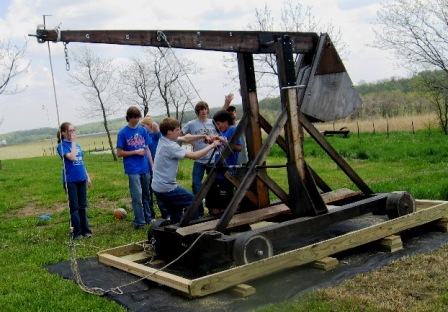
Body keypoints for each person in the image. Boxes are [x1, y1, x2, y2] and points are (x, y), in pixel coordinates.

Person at [152, 117, 221, 222]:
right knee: (194, 202)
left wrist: (203, 135)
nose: (180, 132)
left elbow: (185, 139)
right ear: (169, 132)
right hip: (167, 188)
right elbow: (194, 156)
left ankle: (175, 226)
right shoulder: (170, 146)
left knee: (176, 208)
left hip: (158, 187)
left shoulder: (164, 138)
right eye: (177, 130)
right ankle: (191, 228)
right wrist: (212, 145)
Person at [116, 106, 154, 229]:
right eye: (133, 117)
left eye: (137, 117)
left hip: (145, 168)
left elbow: (147, 148)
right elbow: (120, 153)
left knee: (146, 194)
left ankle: (148, 218)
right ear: (129, 118)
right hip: (133, 169)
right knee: (137, 195)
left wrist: (151, 165)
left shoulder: (142, 130)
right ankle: (139, 221)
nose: (136, 120)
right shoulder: (122, 133)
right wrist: (135, 152)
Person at [181, 101, 219, 216]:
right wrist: (192, 141)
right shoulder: (192, 124)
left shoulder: (213, 123)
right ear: (197, 112)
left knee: (213, 184)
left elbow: (221, 134)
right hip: (199, 160)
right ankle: (199, 210)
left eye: (205, 109)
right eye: (200, 109)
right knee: (196, 184)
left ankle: (213, 208)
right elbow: (181, 135)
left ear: (207, 110)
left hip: (212, 159)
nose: (203, 111)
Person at [56, 122, 92, 240]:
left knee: (82, 206)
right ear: (63, 133)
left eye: (73, 130)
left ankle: (86, 230)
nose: (73, 133)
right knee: (74, 207)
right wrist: (73, 142)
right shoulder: (62, 146)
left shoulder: (77, 145)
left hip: (81, 177)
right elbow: (71, 157)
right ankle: (77, 232)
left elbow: (81, 161)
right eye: (70, 131)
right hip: (70, 180)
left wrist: (87, 176)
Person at [206, 111, 242, 216]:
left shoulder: (232, 130)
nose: (217, 126)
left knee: (225, 196)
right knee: (215, 196)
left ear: (226, 121)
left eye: (218, 123)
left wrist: (224, 141)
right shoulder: (222, 132)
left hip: (227, 170)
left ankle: (227, 213)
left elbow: (239, 148)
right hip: (218, 169)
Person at [140, 116, 161, 218]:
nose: (143, 128)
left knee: (158, 191)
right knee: (148, 192)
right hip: (147, 167)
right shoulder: (143, 136)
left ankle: (164, 212)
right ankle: (150, 214)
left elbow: (158, 131)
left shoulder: (156, 136)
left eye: (144, 126)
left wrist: (154, 125)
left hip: (156, 167)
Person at [221, 93, 248, 165]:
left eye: (233, 110)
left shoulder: (241, 124)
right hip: (229, 161)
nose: (231, 112)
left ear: (236, 113)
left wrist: (244, 95)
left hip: (243, 160)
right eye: (228, 111)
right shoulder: (224, 128)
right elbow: (219, 116)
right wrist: (226, 103)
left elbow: (250, 112)